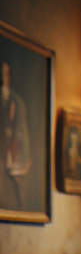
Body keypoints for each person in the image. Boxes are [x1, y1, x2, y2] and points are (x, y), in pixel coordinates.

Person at [1, 61, 31, 212]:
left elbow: (21, 130)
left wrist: (23, 157)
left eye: (5, 74)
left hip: (12, 153)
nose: (2, 77)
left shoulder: (16, 101)